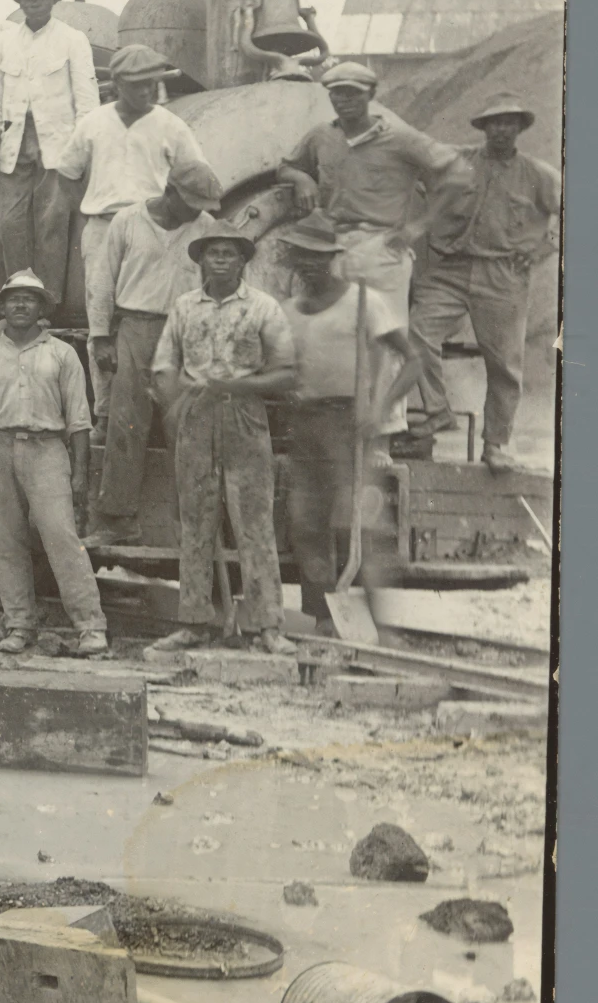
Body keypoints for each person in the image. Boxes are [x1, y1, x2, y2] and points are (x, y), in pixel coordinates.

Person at [148, 227, 297, 655]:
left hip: (244, 414)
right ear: (201, 261)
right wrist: (175, 405)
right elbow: (164, 366)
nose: (220, 260)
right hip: (196, 416)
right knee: (195, 522)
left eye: (229, 254)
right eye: (212, 253)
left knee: (254, 522)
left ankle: (268, 626)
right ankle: (194, 622)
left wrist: (241, 383)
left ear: (242, 261)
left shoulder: (263, 307)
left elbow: (286, 372)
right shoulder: (183, 309)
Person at [0, 271, 109, 658]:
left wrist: (79, 472)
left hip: (46, 449)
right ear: (2, 307)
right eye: (13, 299)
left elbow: (78, 419)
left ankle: (90, 626)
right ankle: (20, 624)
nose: (20, 305)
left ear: (42, 308)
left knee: (61, 537)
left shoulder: (61, 353)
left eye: (29, 299)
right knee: (6, 542)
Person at [408, 93, 561, 471]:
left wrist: (546, 246)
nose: (501, 129)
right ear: (483, 127)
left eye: (509, 122)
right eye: (494, 122)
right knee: (416, 331)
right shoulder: (457, 161)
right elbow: (410, 157)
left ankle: (496, 444)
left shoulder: (538, 175)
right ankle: (438, 410)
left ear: (520, 128)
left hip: (504, 275)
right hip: (452, 268)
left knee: (504, 364)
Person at [279, 214, 419, 624]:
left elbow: (412, 361)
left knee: (362, 527)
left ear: (333, 258)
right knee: (306, 525)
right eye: (300, 257)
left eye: (316, 257)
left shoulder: (363, 302)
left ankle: (378, 626)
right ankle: (321, 619)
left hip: (348, 428)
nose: (308, 265)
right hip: (303, 427)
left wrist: (378, 408)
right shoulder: (288, 311)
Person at [54, 44, 209, 419]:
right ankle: (106, 411)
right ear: (119, 83)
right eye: (138, 84)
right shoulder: (94, 122)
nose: (146, 91)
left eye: (151, 83)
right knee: (101, 318)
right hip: (103, 226)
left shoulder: (171, 125)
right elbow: (67, 172)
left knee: (156, 314)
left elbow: (196, 174)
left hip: (152, 228)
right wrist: (87, 209)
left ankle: (166, 408)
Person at [88, 157, 224, 540]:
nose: (196, 211)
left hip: (184, 330)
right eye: (191, 201)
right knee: (126, 424)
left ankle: (194, 524)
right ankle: (118, 519)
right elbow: (102, 281)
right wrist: (101, 336)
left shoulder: (205, 228)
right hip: (135, 326)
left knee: (187, 425)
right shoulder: (128, 221)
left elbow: (216, 284)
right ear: (170, 192)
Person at [277, 60, 462, 328]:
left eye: (353, 93)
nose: (344, 100)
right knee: (339, 335)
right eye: (337, 93)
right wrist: (300, 178)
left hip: (381, 251)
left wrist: (419, 226)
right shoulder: (321, 136)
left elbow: (458, 173)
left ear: (371, 95)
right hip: (334, 249)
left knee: (386, 338)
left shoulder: (401, 138)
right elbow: (286, 167)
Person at [0, 0, 100, 297]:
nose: (34, 3)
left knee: (51, 223)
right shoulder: (3, 43)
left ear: (53, 0)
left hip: (59, 145)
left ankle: (47, 301)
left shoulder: (73, 39)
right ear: (19, 3)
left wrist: (84, 150)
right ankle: (15, 295)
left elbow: (87, 99)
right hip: (14, 144)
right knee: (8, 223)